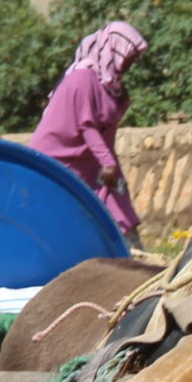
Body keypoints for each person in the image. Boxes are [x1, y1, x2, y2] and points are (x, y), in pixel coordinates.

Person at [32, 19, 148, 245]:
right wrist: (107, 162)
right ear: (115, 49)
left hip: (91, 161)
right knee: (63, 218)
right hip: (60, 160)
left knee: (119, 206)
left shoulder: (110, 85)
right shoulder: (82, 77)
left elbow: (106, 129)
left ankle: (130, 257)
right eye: (130, 55)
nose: (132, 62)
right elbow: (87, 124)